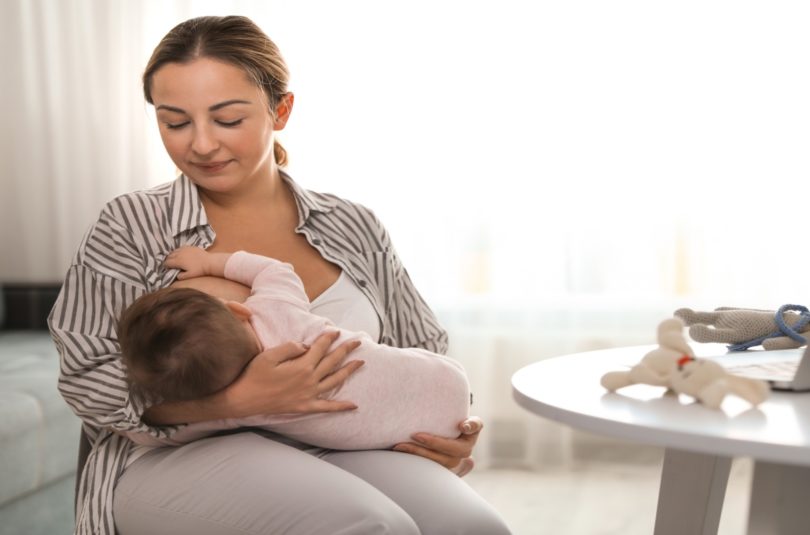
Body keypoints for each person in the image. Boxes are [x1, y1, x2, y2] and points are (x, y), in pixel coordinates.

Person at [49, 14, 511, 535]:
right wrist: (234, 402)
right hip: (179, 455)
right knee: (368, 525)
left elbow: (421, 346)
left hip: (342, 444)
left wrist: (452, 428)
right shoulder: (131, 224)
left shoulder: (351, 224)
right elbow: (87, 377)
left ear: (281, 110)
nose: (201, 144)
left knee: (472, 527)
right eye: (175, 122)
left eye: (227, 119)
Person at [118, 247, 471, 450]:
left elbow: (153, 429)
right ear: (237, 309)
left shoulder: (245, 411)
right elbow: (274, 269)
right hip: (447, 381)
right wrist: (212, 262)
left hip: (415, 439)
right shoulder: (273, 309)